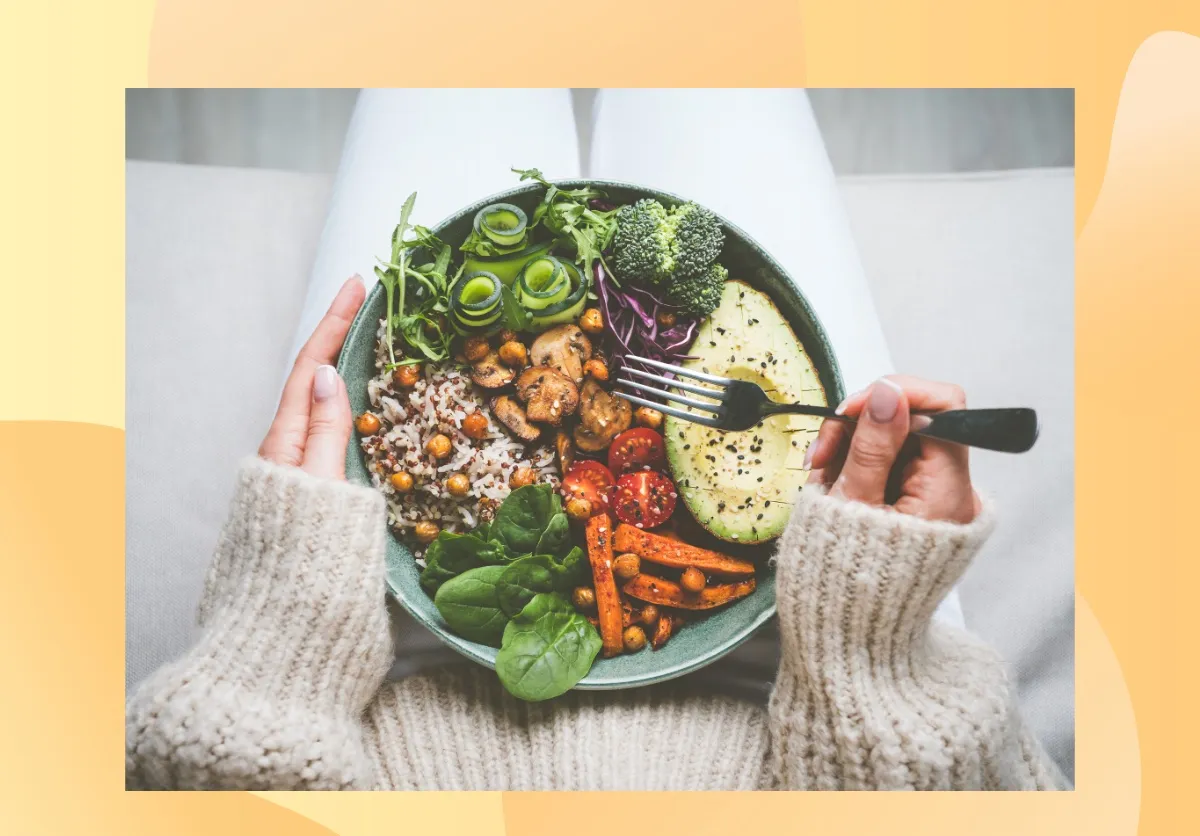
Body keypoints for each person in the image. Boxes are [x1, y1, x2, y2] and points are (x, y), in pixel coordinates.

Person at [125, 90, 1067, 789]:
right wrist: (880, 636)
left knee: (449, 71)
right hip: (808, 660)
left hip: (381, 655)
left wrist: (280, 632)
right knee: (723, 85)